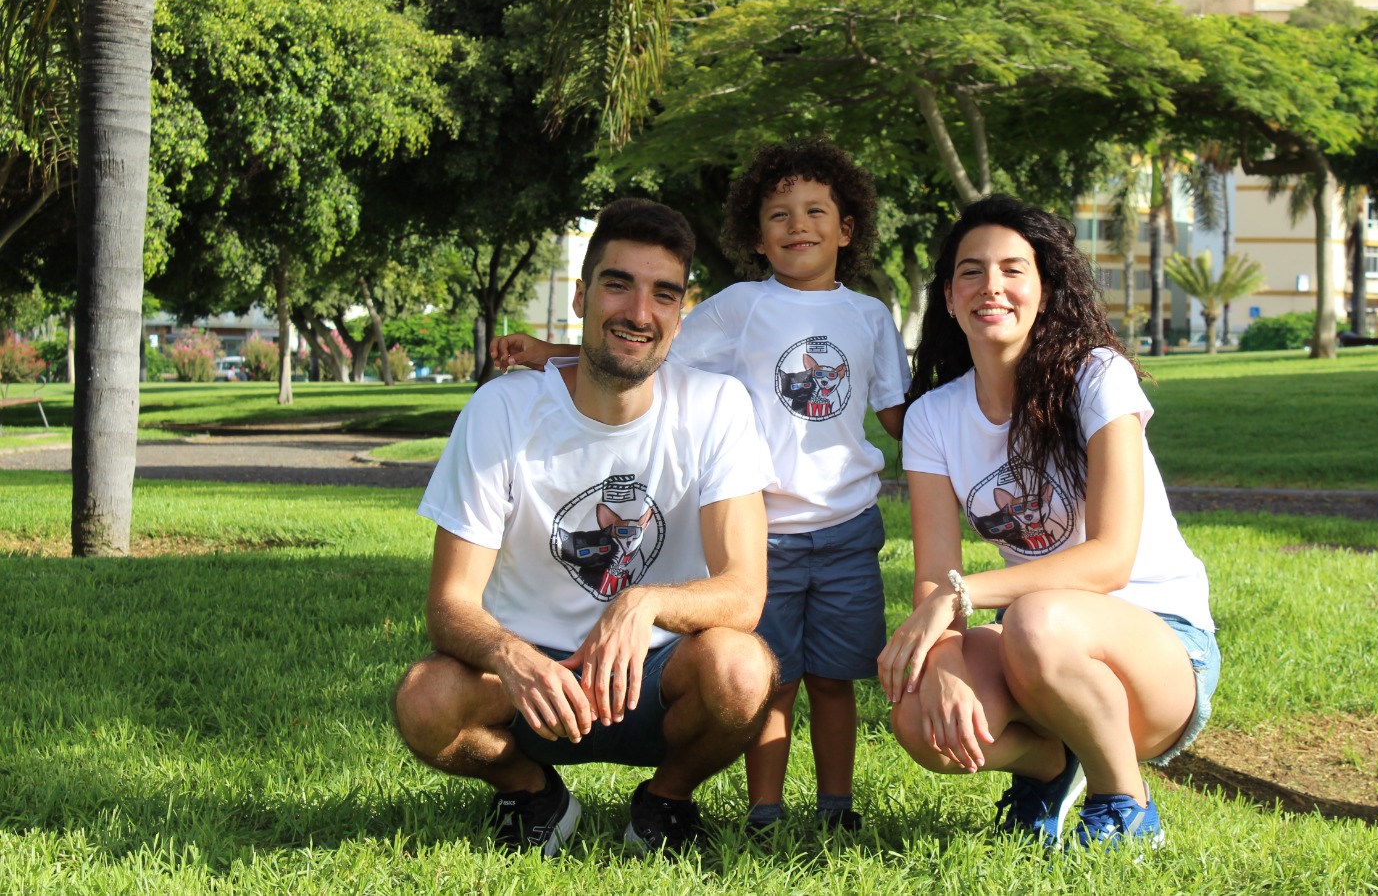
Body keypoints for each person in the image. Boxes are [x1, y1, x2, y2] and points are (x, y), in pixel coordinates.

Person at [491, 140, 910, 833]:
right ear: (755, 234)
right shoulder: (742, 305)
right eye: (778, 215)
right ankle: (765, 812)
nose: (797, 225)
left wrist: (991, 402)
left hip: (847, 529)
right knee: (772, 681)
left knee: (837, 682)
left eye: (815, 211)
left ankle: (838, 808)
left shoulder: (870, 316)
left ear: (848, 228)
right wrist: (548, 355)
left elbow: (900, 413)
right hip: (765, 530)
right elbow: (642, 346)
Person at [392, 199, 779, 857]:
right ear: (581, 295)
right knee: (424, 701)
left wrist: (645, 601)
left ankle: (667, 801)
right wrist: (512, 657)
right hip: (530, 685)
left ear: (680, 315)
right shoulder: (502, 411)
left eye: (663, 294)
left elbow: (744, 592)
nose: (638, 312)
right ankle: (532, 794)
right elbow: (449, 604)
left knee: (744, 671)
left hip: (657, 676)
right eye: (618, 284)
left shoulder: (717, 406)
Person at [878, 194, 1219, 852]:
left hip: (1160, 648)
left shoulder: (1097, 377)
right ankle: (1049, 767)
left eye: (1014, 269)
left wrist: (963, 595)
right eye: (972, 272)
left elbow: (1111, 559)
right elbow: (933, 577)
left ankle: (1124, 804)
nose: (992, 286)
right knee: (918, 713)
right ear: (949, 297)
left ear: (1044, 289)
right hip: (1040, 649)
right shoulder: (931, 419)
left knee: (1034, 615)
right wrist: (946, 654)